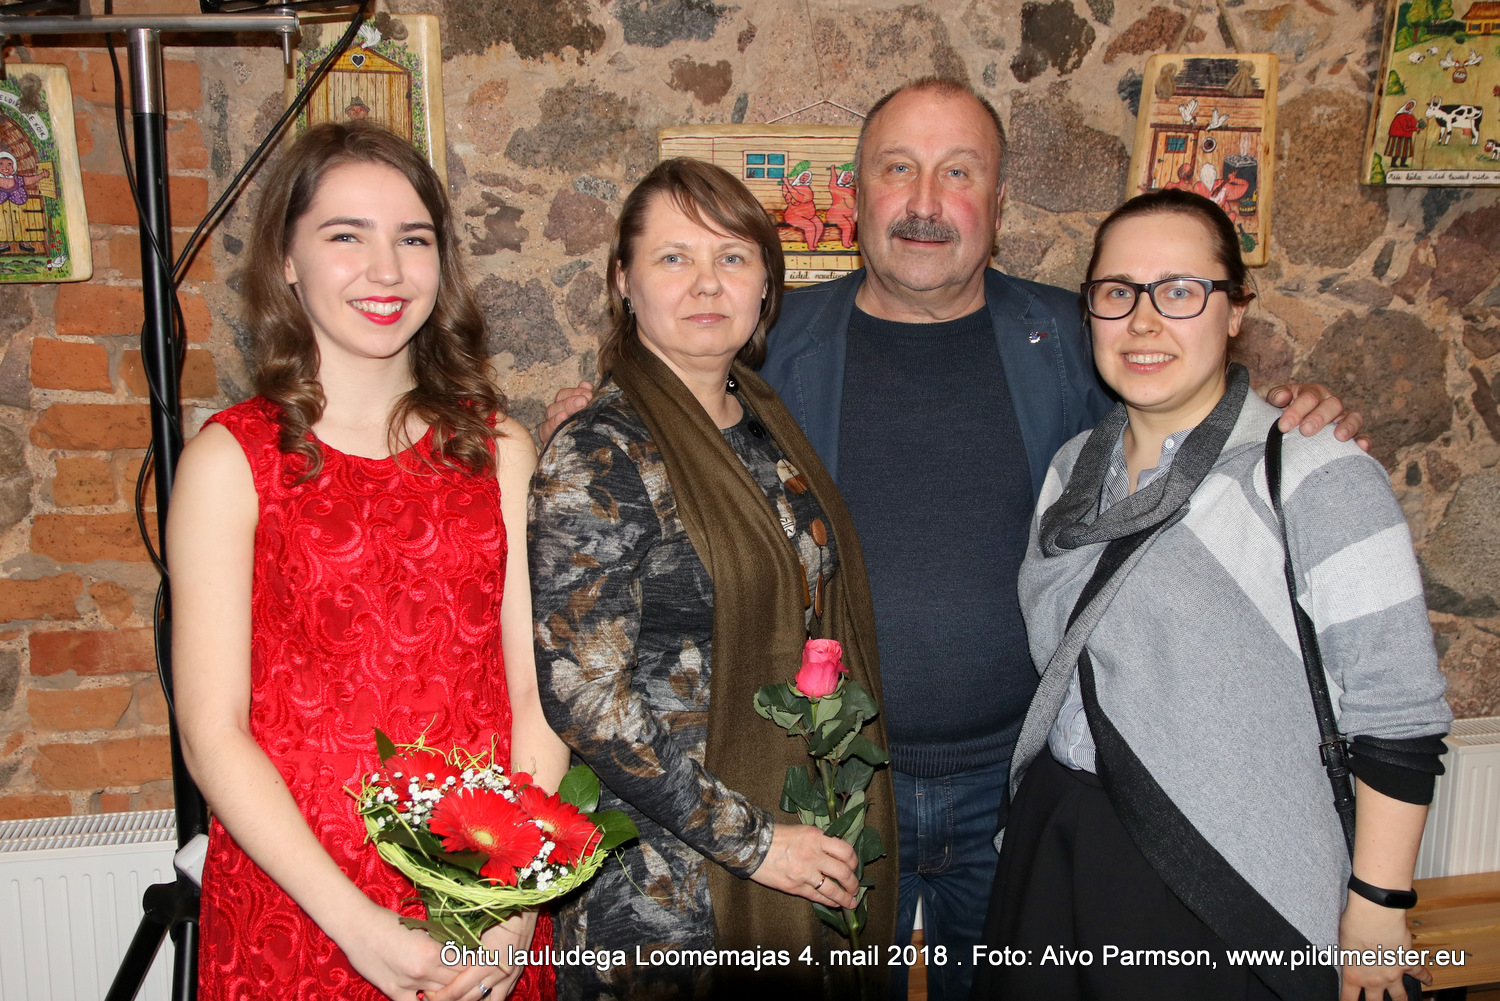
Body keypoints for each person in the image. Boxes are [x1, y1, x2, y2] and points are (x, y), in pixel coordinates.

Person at [539, 78, 1363, 1001]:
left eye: (958, 172)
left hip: (1017, 788)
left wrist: (1288, 413)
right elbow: (664, 422)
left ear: (998, 204)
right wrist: (598, 411)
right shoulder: (772, 343)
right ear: (856, 195)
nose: (925, 202)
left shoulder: (1077, 336)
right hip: (832, 785)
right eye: (899, 169)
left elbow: (1188, 409)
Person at [974, 188, 1450, 1001]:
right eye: (1118, 292)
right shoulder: (1071, 472)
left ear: (1235, 311)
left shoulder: (1317, 472)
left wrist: (1377, 906)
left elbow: (1398, 711)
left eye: (1181, 291)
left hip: (1221, 866)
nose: (1144, 320)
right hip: (1060, 841)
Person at [169, 121, 569, 1001]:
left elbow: (537, 697)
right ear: (287, 258)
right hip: (301, 900)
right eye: (346, 235)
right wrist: (355, 924)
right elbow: (212, 730)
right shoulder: (229, 462)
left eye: (412, 239)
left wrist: (509, 900)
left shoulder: (500, 451)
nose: (386, 270)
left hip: (483, 893)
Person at [529, 157, 897, 1000]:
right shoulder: (600, 452)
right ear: (624, 281)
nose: (706, 283)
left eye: (732, 257)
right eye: (674, 257)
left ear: (766, 283)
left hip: (788, 838)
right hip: (665, 892)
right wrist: (758, 842)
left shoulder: (764, 424)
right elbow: (584, 697)